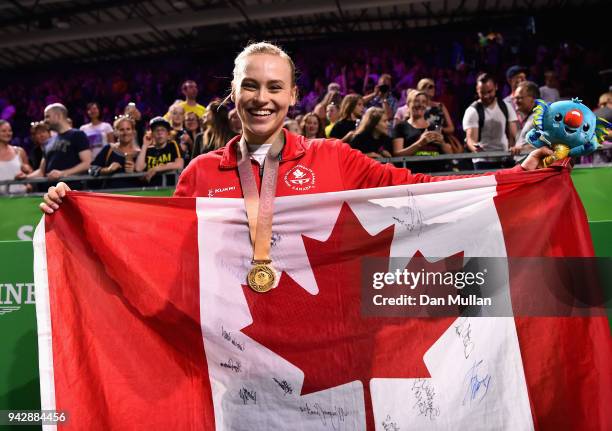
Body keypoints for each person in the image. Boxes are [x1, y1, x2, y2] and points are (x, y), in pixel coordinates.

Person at [42, 42, 551, 214]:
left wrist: (516, 175)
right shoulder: (200, 172)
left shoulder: (333, 157)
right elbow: (165, 246)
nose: (262, 99)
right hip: (232, 355)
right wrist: (78, 210)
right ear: (234, 93)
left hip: (320, 351)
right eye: (251, 86)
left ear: (291, 96)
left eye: (274, 88)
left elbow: (418, 188)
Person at [23, 103, 91, 186]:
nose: (45, 120)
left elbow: (87, 163)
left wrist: (63, 173)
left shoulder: (77, 135)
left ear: (58, 116)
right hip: (51, 192)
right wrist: (25, 177)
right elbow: (41, 172)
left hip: (71, 190)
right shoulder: (48, 142)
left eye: (47, 116)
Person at [463, 73, 519, 170]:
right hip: (482, 161)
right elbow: (470, 139)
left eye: (489, 92)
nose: (486, 96)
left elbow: (513, 135)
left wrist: (513, 148)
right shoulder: (472, 111)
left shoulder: (506, 107)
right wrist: (476, 148)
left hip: (504, 158)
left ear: (496, 87)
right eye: (482, 93)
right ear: (477, 90)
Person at [392, 90, 453, 173]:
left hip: (436, 174)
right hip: (414, 175)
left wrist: (442, 143)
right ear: (408, 104)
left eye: (424, 102)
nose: (420, 105)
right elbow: (397, 155)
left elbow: (450, 155)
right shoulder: (401, 127)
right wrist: (420, 143)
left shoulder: (434, 127)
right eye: (416, 101)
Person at [88, 116, 141, 189]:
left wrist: (135, 171)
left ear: (133, 131)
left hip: (134, 195)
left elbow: (147, 178)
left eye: (128, 129)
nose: (125, 133)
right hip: (112, 196)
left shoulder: (140, 153)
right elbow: (92, 169)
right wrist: (108, 170)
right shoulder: (109, 149)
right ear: (116, 132)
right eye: (121, 129)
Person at [135, 117, 184, 186]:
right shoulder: (148, 149)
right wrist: (145, 145)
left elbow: (179, 165)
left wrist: (155, 169)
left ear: (168, 133)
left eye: (163, 130)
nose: (160, 133)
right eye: (156, 130)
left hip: (169, 188)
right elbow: (139, 168)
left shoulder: (172, 145)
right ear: (151, 134)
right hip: (151, 189)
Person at [0, 120, 31, 194]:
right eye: (3, 131)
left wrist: (29, 185)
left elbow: (30, 172)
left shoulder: (19, 151)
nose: (8, 133)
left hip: (21, 196)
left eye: (10, 131)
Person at [513, 81, 540, 151]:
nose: (515, 101)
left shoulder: (540, 118)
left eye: (519, 98)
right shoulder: (530, 117)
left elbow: (547, 144)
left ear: (532, 99)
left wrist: (522, 149)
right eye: (514, 98)